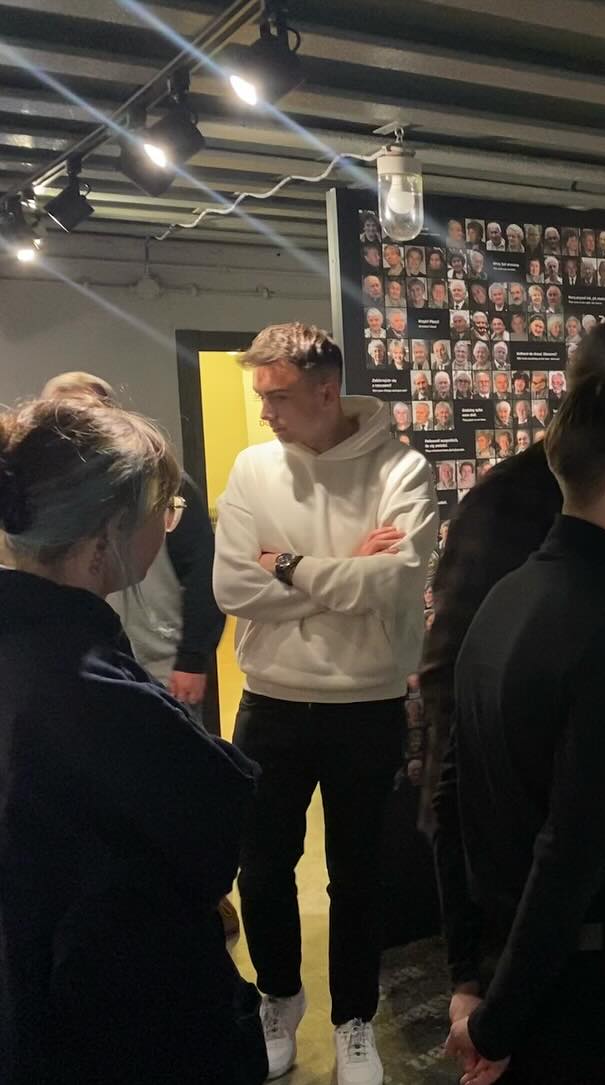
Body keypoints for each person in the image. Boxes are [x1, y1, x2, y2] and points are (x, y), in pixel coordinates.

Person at [442, 372, 605, 1085]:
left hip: (516, 973)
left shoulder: (504, 597)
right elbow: (573, 848)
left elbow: (451, 800)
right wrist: (498, 1023)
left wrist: (471, 979)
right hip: (602, 994)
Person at [0, 396, 265, 1085]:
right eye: (163, 511)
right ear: (104, 539)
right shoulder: (98, 698)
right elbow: (209, 846)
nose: (169, 524)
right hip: (117, 1027)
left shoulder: (30, 654)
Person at [212, 324, 438, 1085]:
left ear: (326, 390)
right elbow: (232, 587)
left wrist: (286, 565)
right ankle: (280, 996)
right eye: (261, 397)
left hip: (366, 703)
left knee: (359, 874)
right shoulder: (252, 470)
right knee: (262, 867)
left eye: (278, 397)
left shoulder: (401, 469)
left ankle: (354, 1020)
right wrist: (343, 574)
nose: (265, 413)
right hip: (271, 700)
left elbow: (396, 580)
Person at [41, 373, 226, 724]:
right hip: (63, 665)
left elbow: (205, 573)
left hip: (158, 669)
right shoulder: (35, 497)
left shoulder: (164, 484)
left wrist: (192, 660)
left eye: (87, 412)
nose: (75, 428)